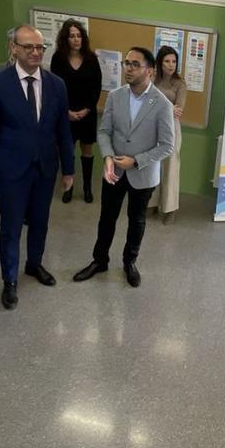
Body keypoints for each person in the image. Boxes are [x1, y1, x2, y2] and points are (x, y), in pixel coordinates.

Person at [0, 25, 73, 310]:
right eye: (28, 46)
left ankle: (34, 264)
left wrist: (68, 169)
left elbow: (63, 131)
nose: (35, 52)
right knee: (12, 225)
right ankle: (9, 280)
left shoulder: (56, 84)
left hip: (45, 167)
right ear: (13, 48)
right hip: (11, 169)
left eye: (40, 47)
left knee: (40, 221)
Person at [73, 47, 174, 288]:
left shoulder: (161, 104)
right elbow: (104, 131)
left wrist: (136, 160)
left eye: (135, 64)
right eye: (126, 63)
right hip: (114, 171)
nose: (128, 68)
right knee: (106, 217)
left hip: (143, 173)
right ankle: (99, 261)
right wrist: (108, 156)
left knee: (136, 221)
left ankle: (130, 262)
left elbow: (167, 146)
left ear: (149, 70)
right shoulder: (115, 96)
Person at [50, 19, 102, 204]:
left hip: (87, 113)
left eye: (79, 35)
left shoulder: (91, 59)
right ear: (66, 38)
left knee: (87, 150)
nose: (76, 39)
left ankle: (87, 188)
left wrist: (87, 109)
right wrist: (67, 112)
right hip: (66, 114)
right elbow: (54, 89)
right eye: (72, 36)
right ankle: (68, 187)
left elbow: (97, 86)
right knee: (67, 151)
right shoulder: (58, 59)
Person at [148, 46, 186, 225]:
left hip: (172, 129)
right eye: (167, 61)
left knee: (170, 167)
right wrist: (168, 108)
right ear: (160, 62)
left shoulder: (180, 84)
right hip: (153, 127)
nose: (171, 65)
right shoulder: (152, 80)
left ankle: (170, 209)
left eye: (174, 61)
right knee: (153, 165)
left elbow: (178, 111)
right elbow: (147, 103)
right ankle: (152, 203)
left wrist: (163, 106)